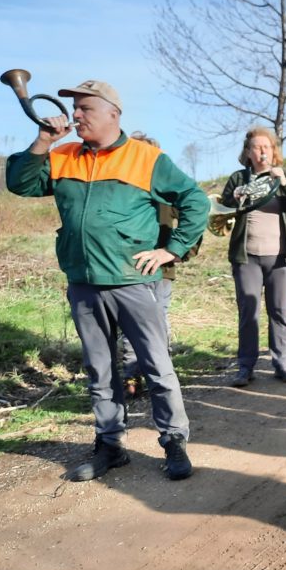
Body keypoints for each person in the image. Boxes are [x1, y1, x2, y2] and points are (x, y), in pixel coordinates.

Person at [5, 79, 208, 481]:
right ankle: (110, 445)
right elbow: (20, 183)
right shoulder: (63, 155)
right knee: (99, 369)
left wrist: (171, 249)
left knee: (156, 364)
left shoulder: (146, 158)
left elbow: (195, 200)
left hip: (133, 281)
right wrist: (43, 141)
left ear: (113, 114)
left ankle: (173, 440)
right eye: (75, 108)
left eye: (86, 108)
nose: (76, 115)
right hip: (83, 282)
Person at [220, 126, 286, 386]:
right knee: (248, 313)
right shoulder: (238, 178)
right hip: (247, 257)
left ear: (273, 151)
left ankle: (282, 363)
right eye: (256, 147)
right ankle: (245, 367)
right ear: (248, 152)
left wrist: (284, 182)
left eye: (266, 147)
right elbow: (223, 208)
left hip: (280, 257)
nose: (262, 151)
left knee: (279, 312)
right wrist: (234, 198)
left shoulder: (283, 175)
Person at [121, 132, 201, 399]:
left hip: (160, 272)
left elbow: (193, 217)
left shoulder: (167, 190)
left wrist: (177, 252)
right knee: (129, 325)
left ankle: (161, 376)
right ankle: (131, 376)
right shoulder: (121, 187)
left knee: (158, 323)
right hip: (125, 270)